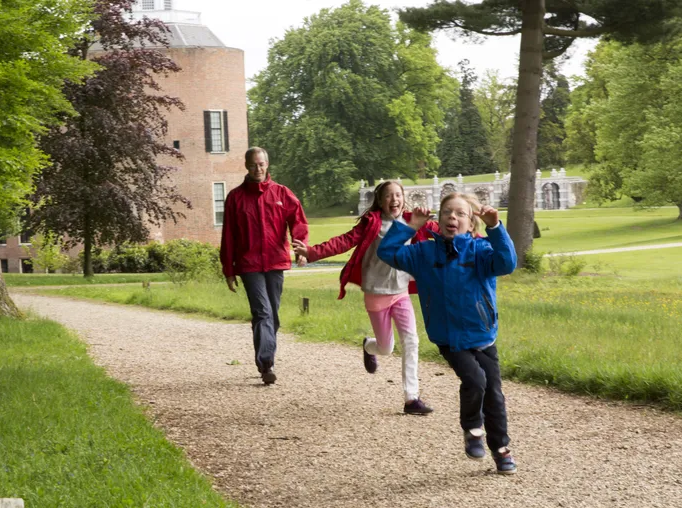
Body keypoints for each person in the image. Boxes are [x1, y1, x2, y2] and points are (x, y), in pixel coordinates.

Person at [377, 192, 518, 474]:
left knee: (494, 393)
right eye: (447, 212)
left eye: (460, 213)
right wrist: (411, 226)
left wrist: (495, 227)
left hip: (482, 334)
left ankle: (501, 449)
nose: (452, 217)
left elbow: (507, 263)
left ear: (471, 224)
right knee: (475, 380)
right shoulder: (423, 253)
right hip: (449, 337)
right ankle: (472, 429)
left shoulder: (481, 251)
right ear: (439, 220)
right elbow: (387, 252)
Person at [292, 180, 437, 415]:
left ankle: (411, 398)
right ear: (380, 201)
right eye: (388, 196)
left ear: (404, 199)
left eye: (398, 195)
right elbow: (343, 241)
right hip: (376, 293)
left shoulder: (413, 221)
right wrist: (311, 253)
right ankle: (369, 346)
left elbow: (442, 230)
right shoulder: (372, 223)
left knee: (411, 341)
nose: (394, 200)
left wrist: (469, 231)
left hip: (401, 292)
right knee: (386, 348)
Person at [220, 147, 309, 385]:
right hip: (249, 265)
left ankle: (265, 358)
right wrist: (229, 269)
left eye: (261, 164)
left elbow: (298, 221)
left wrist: (301, 248)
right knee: (262, 312)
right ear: (246, 166)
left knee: (273, 315)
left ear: (267, 164)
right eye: (253, 165)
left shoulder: (282, 193)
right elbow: (228, 236)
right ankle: (267, 364)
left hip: (275, 262)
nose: (257, 169)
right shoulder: (235, 198)